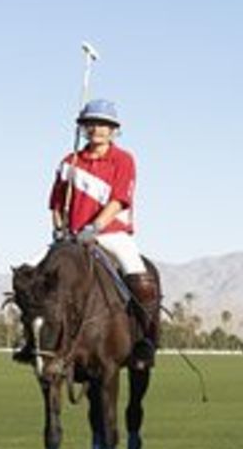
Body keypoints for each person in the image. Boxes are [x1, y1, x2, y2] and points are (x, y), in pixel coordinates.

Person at [45, 99, 160, 368]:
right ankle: (37, 344)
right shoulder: (69, 161)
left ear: (113, 130)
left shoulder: (123, 159)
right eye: (92, 123)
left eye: (105, 125)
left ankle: (146, 340)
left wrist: (94, 228)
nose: (98, 129)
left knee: (140, 278)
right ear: (83, 127)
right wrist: (60, 230)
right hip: (71, 239)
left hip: (111, 233)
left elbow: (119, 200)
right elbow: (56, 203)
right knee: (32, 276)